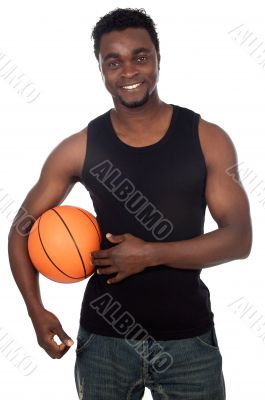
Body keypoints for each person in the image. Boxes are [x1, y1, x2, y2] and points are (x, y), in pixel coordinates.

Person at [8, 7, 252, 400]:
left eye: (140, 57)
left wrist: (149, 254)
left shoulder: (207, 138)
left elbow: (239, 240)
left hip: (189, 342)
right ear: (101, 70)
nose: (129, 72)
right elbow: (20, 229)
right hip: (103, 344)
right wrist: (36, 311)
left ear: (158, 58)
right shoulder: (79, 148)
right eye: (113, 62)